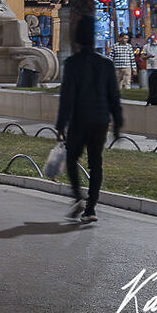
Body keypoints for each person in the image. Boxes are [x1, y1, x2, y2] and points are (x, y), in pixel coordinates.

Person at [56, 19, 123, 224]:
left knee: (71, 159)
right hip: (100, 120)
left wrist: (61, 124)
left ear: (77, 39)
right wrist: (118, 122)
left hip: (79, 119)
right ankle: (91, 208)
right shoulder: (106, 64)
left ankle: (78, 197)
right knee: (96, 164)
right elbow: (114, 96)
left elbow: (67, 96)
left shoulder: (72, 63)